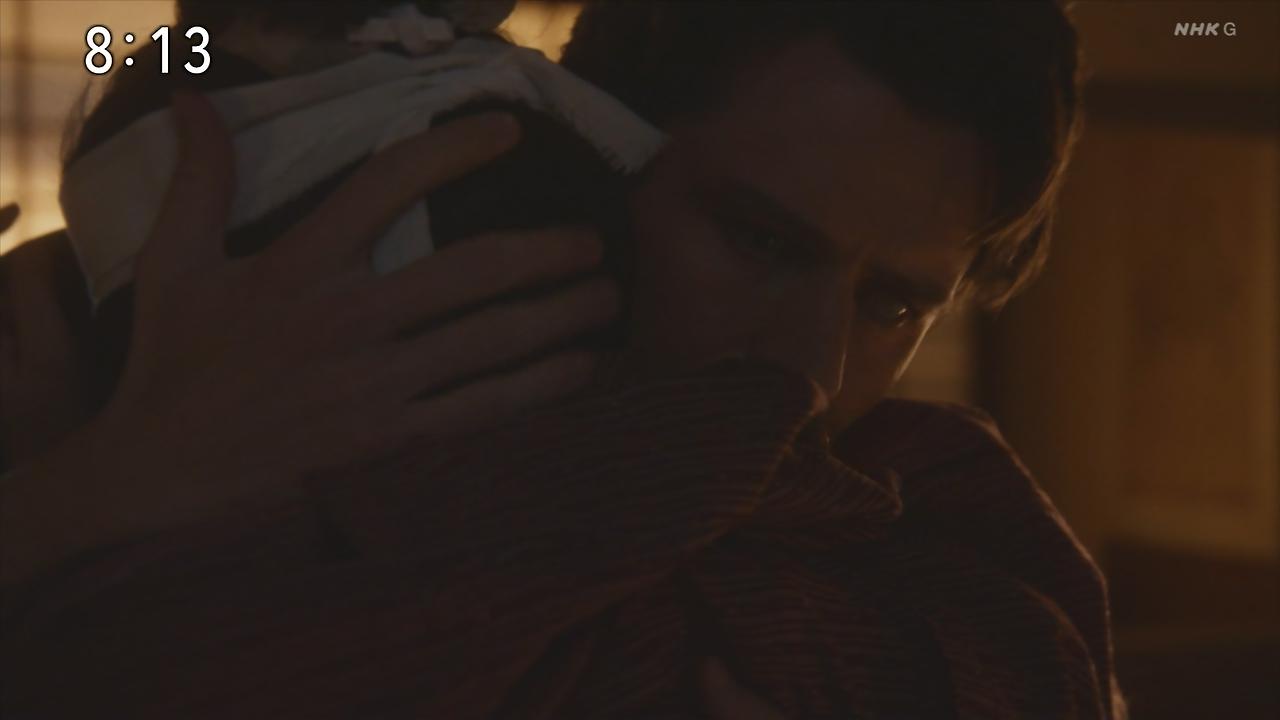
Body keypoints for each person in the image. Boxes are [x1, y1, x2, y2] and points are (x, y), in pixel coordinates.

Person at [1, 2, 1126, 718]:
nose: (812, 370)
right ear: (593, 150)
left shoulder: (924, 525)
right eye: (757, 240)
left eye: (893, 303)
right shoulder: (103, 330)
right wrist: (102, 490)